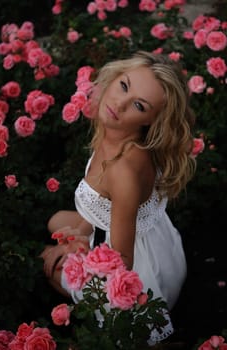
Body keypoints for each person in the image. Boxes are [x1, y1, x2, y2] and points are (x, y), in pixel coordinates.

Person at [41, 51, 196, 343]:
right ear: (114, 76)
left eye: (138, 105)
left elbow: (121, 260)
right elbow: (104, 206)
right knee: (56, 222)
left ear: (151, 120)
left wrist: (76, 254)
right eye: (124, 86)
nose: (120, 105)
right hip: (148, 239)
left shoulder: (123, 171)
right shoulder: (119, 134)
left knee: (47, 262)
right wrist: (79, 234)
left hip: (138, 271)